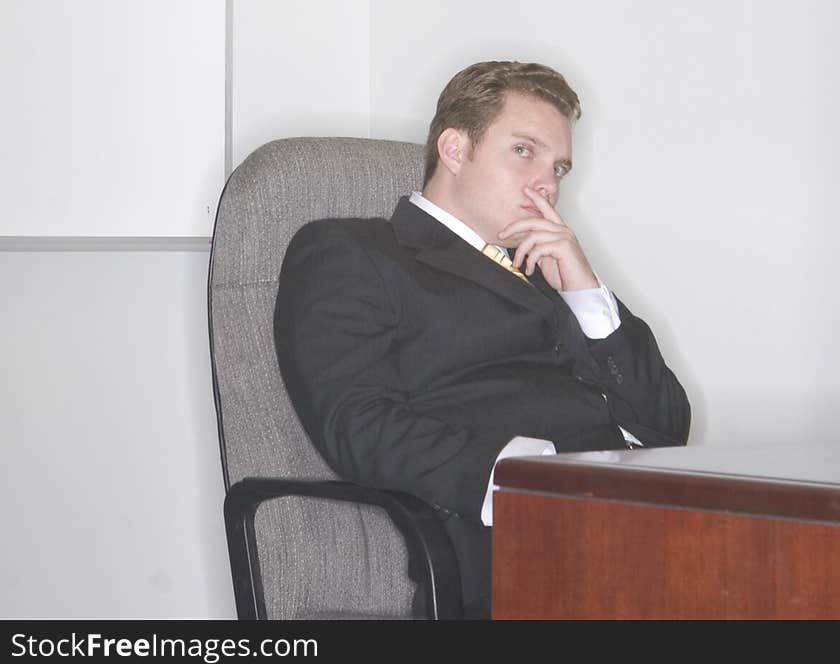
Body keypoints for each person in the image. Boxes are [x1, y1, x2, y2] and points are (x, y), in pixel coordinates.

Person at [274, 61, 690, 618]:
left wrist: (587, 292)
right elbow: (356, 423)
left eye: (559, 167)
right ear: (454, 149)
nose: (547, 182)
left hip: (641, 515)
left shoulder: (551, 267)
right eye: (524, 151)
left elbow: (668, 423)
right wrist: (530, 478)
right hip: (518, 542)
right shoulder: (353, 252)